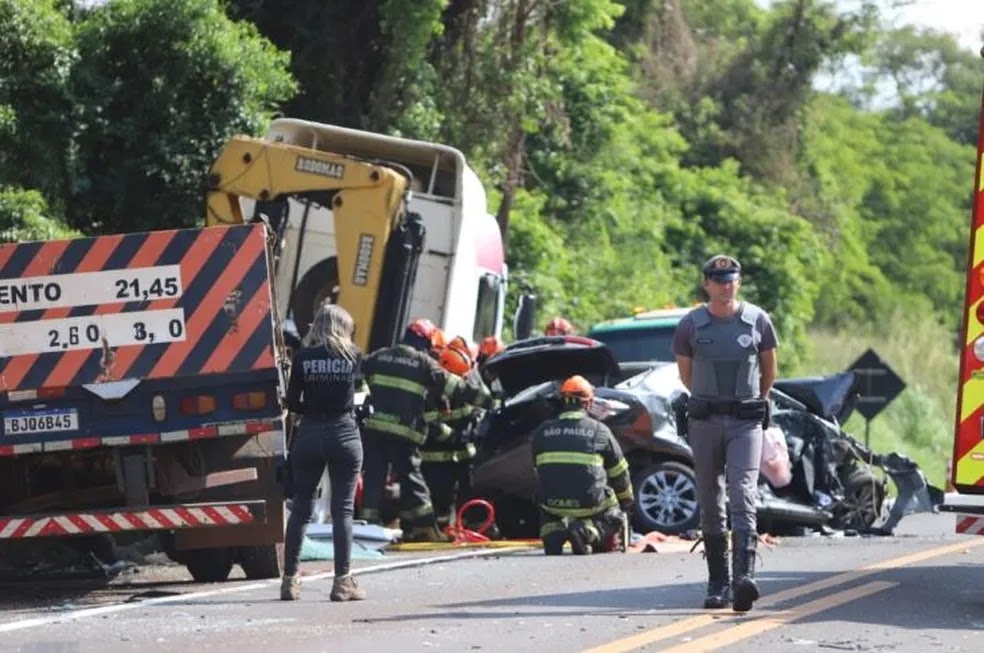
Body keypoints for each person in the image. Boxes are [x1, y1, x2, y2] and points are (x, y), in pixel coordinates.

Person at [671, 254, 778, 613]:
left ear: (739, 282)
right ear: (707, 284)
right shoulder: (691, 325)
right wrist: (711, 400)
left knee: (742, 492)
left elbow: (768, 372)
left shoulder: (758, 321)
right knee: (710, 499)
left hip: (744, 421)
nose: (725, 285)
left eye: (731, 279)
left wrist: (750, 403)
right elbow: (686, 377)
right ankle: (717, 583)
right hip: (704, 420)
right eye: (718, 280)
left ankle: (743, 580)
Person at [280, 303, 365, 602]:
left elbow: (292, 402)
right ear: (344, 327)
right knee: (342, 510)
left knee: (301, 508)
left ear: (317, 325)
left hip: (310, 435)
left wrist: (310, 409)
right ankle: (342, 582)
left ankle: (290, 581)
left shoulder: (302, 358)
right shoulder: (353, 356)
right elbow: (360, 397)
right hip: (344, 434)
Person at [359, 318, 465, 541]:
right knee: (411, 477)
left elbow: (357, 375)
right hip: (403, 434)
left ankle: (367, 524)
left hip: (375, 429)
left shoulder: (379, 356)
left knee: (374, 475)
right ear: (424, 340)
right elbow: (454, 387)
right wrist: (486, 399)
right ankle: (427, 527)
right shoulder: (423, 363)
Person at [530, 375, 633, 555]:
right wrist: (626, 502)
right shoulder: (599, 430)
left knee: (547, 507)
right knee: (614, 511)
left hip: (551, 504)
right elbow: (619, 472)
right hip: (589, 504)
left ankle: (553, 535)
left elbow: (538, 472)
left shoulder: (542, 431)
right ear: (587, 403)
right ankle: (586, 532)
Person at [421, 346, 495, 530]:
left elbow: (484, 407)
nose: (461, 381)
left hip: (463, 457)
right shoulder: (428, 394)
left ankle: (473, 528)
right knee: (439, 501)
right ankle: (439, 533)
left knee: (469, 494)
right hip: (435, 459)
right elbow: (433, 427)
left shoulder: (467, 390)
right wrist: (458, 436)